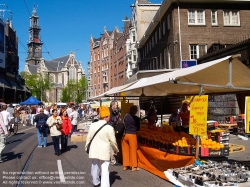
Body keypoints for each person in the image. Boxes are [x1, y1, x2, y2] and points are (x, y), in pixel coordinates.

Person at [85, 106, 118, 187]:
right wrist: (116, 149)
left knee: (94, 166)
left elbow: (88, 138)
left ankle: (95, 182)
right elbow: (113, 141)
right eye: (109, 116)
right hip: (104, 151)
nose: (110, 117)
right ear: (106, 117)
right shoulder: (109, 128)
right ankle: (105, 185)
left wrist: (86, 147)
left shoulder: (93, 125)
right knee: (105, 168)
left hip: (94, 149)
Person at [122, 105, 140, 171]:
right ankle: (133, 166)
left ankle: (125, 165)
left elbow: (123, 123)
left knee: (125, 150)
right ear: (135, 111)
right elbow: (138, 128)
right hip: (132, 135)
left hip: (125, 135)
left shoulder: (126, 116)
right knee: (133, 150)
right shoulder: (137, 119)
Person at [109, 100, 122, 165]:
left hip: (114, 128)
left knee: (114, 143)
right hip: (110, 128)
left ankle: (114, 158)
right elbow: (111, 120)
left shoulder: (115, 112)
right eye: (116, 105)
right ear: (113, 105)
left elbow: (117, 119)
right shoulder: (110, 111)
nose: (117, 106)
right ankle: (113, 161)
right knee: (112, 144)